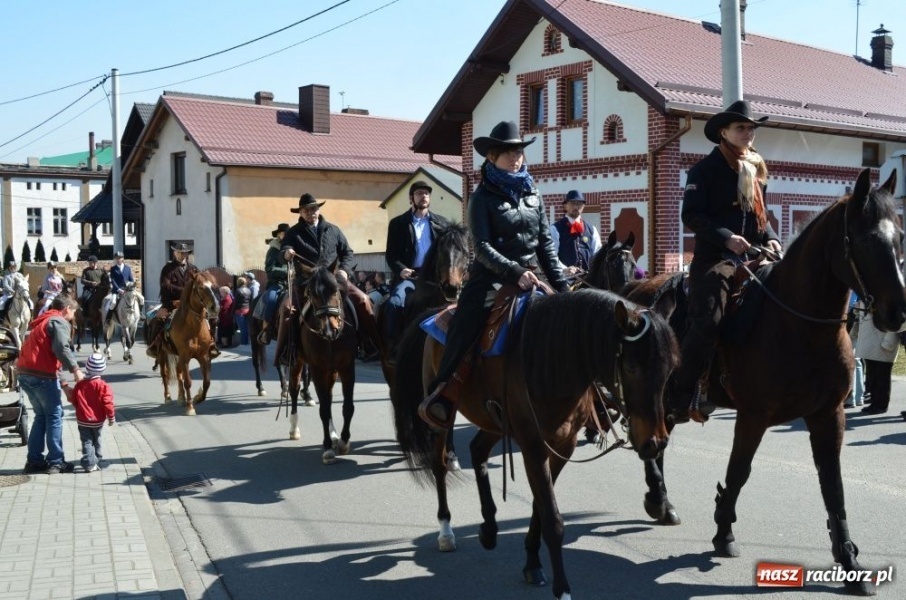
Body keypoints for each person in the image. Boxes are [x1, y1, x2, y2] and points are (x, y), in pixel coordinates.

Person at [418, 120, 569, 430]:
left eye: (519, 152)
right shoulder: (482, 197)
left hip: (532, 277)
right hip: (490, 279)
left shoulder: (534, 194)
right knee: (466, 323)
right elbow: (482, 247)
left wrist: (564, 288)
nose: (516, 158)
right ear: (491, 156)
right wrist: (514, 271)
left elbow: (545, 245)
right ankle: (444, 391)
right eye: (508, 153)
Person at [672, 100, 783, 423]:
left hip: (755, 255)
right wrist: (727, 238)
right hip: (716, 257)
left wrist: (771, 238)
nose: (748, 133)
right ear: (724, 132)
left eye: (751, 128)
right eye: (741, 128)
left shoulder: (755, 169)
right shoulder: (704, 170)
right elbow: (691, 215)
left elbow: (761, 218)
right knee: (708, 319)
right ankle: (682, 392)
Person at [280, 193, 382, 360]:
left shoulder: (333, 230)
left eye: (313, 209)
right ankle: (287, 349)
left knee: (363, 300)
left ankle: (370, 343)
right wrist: (286, 253)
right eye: (306, 210)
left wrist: (344, 270)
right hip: (306, 281)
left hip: (333, 279)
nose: (310, 213)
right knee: (286, 309)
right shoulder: (293, 233)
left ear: (318, 210)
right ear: (300, 213)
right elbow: (283, 251)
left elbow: (347, 253)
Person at [17, 294, 83, 474]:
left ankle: (34, 461)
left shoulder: (43, 321)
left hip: (25, 373)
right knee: (54, 416)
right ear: (67, 308)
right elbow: (61, 348)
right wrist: (76, 369)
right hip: (42, 376)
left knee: (41, 416)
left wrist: (64, 386)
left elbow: (52, 356)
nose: (73, 317)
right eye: (74, 312)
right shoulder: (59, 321)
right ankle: (55, 461)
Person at [383, 180, 452, 338]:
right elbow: (391, 255)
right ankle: (393, 345)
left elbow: (450, 253)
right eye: (419, 193)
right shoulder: (398, 223)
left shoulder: (442, 223)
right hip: (411, 277)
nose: (424, 196)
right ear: (411, 198)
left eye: (427, 193)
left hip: (436, 278)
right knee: (394, 304)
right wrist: (401, 270)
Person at [146, 242, 219, 360]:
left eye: (184, 252)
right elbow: (166, 286)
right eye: (179, 252)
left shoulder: (194, 268)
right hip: (172, 302)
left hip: (191, 303)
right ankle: (155, 345)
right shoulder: (167, 269)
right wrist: (184, 292)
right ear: (174, 253)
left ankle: (211, 344)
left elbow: (200, 284)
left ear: (187, 254)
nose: (182, 254)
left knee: (212, 318)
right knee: (159, 319)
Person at [61, 352, 114, 473]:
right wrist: (111, 417)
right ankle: (94, 461)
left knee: (87, 441)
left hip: (83, 420)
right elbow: (108, 403)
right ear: (102, 369)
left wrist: (79, 409)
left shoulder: (80, 384)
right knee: (97, 439)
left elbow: (74, 399)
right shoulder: (103, 386)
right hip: (98, 420)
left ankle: (90, 461)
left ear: (87, 367)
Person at [855, 305, 899, 415]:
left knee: (882, 376)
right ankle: (874, 403)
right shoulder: (869, 299)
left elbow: (896, 323)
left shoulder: (890, 300)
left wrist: (889, 342)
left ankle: (881, 405)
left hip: (883, 342)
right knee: (872, 375)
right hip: (870, 342)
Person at [550, 190, 601, 276]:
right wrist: (564, 269)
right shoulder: (555, 229)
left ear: (583, 206)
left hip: (587, 278)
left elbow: (597, 254)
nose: (576, 206)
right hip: (564, 277)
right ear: (565, 206)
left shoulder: (592, 229)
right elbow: (551, 255)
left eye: (579, 204)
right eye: (572, 203)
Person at [255, 223, 290, 344]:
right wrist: (286, 272)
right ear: (279, 235)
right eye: (283, 233)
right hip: (277, 283)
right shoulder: (273, 250)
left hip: (293, 283)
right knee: (271, 299)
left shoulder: (293, 248)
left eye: (287, 234)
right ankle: (266, 330)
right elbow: (269, 269)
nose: (285, 236)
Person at [104, 250, 144, 326]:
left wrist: (131, 285)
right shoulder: (113, 269)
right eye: (116, 258)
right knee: (113, 302)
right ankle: (108, 318)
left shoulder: (127, 268)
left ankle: (140, 313)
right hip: (117, 290)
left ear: (122, 259)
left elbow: (131, 279)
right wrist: (119, 289)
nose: (118, 259)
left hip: (128, 289)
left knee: (141, 298)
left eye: (119, 258)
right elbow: (113, 280)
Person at [233, 276, 252, 345]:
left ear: (238, 282)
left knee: (242, 329)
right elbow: (250, 301)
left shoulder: (238, 290)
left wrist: (232, 312)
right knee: (246, 328)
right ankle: (246, 342)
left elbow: (235, 302)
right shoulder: (249, 290)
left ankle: (244, 343)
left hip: (239, 311)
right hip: (247, 309)